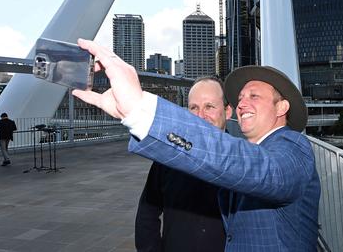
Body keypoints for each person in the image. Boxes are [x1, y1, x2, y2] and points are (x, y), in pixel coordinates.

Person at [73, 39, 320, 251]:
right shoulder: (252, 153)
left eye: (254, 96)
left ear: (282, 107)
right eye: (241, 97)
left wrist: (141, 109)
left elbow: (257, 169)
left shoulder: (295, 148)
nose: (243, 103)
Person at [135, 76, 231, 252]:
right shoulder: (168, 157)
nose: (201, 116)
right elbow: (147, 213)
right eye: (194, 108)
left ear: (228, 111)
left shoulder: (245, 160)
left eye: (209, 106)